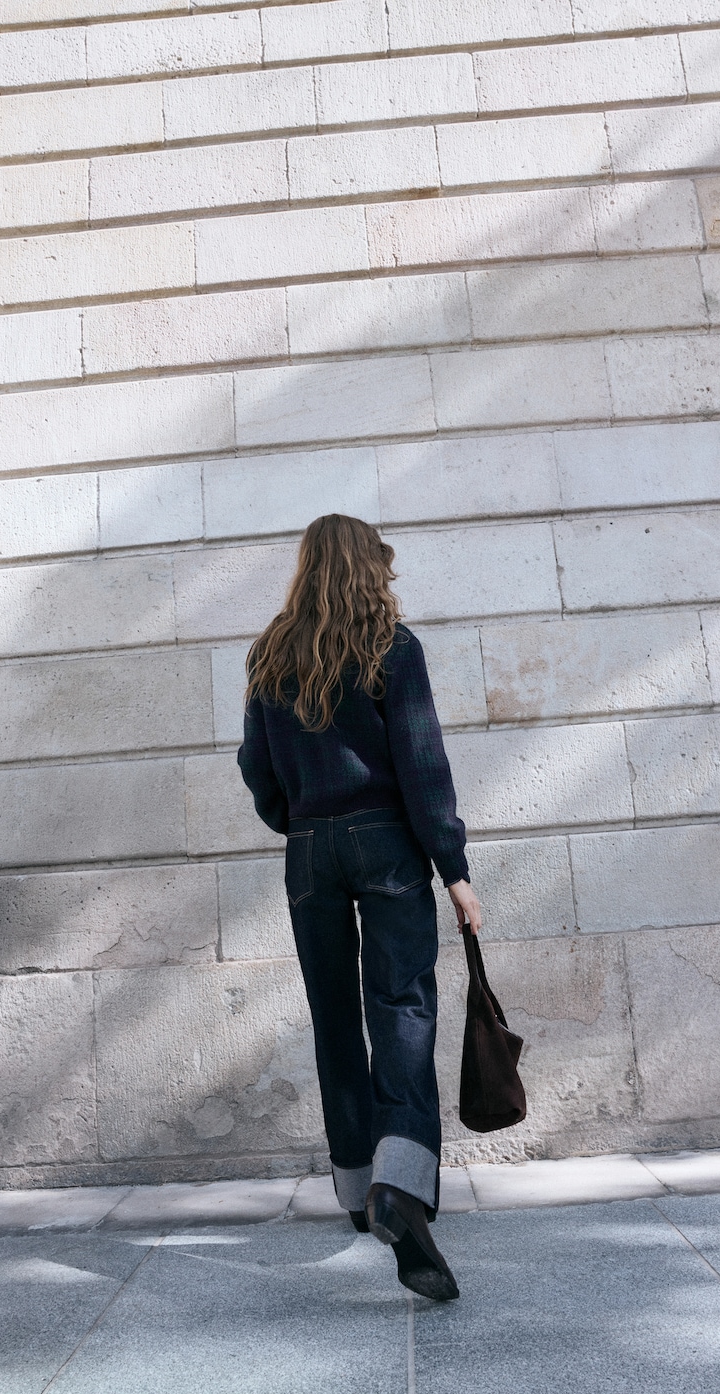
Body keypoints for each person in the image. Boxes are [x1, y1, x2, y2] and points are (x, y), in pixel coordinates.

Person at [238, 513, 481, 1302]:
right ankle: (398, 1187)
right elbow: (422, 762)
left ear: (306, 566)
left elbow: (256, 766)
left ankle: (354, 1190)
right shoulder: (392, 649)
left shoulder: (272, 654)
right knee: (402, 1005)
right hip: (386, 842)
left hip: (311, 845)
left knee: (336, 1016)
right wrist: (453, 867)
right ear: (368, 569)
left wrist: (301, 820)